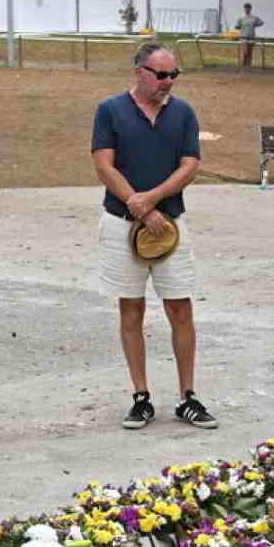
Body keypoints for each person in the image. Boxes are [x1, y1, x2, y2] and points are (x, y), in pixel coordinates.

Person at [91, 40, 218, 430]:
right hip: (120, 223)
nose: (168, 82)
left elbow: (191, 163)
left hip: (171, 224)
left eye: (173, 75)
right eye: (161, 74)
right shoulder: (110, 110)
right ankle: (141, 396)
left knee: (180, 308)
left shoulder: (183, 113)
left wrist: (153, 201)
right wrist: (136, 205)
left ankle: (188, 397)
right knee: (131, 308)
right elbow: (103, 164)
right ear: (139, 72)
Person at [234, 3, 265, 72]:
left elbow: (261, 22)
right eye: (245, 8)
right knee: (245, 52)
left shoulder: (254, 17)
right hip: (243, 37)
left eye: (248, 8)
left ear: (250, 9)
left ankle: (249, 67)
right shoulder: (241, 18)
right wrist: (237, 27)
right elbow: (237, 26)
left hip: (251, 37)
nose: (247, 9)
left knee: (250, 53)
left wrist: (256, 24)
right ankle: (243, 66)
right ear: (244, 9)